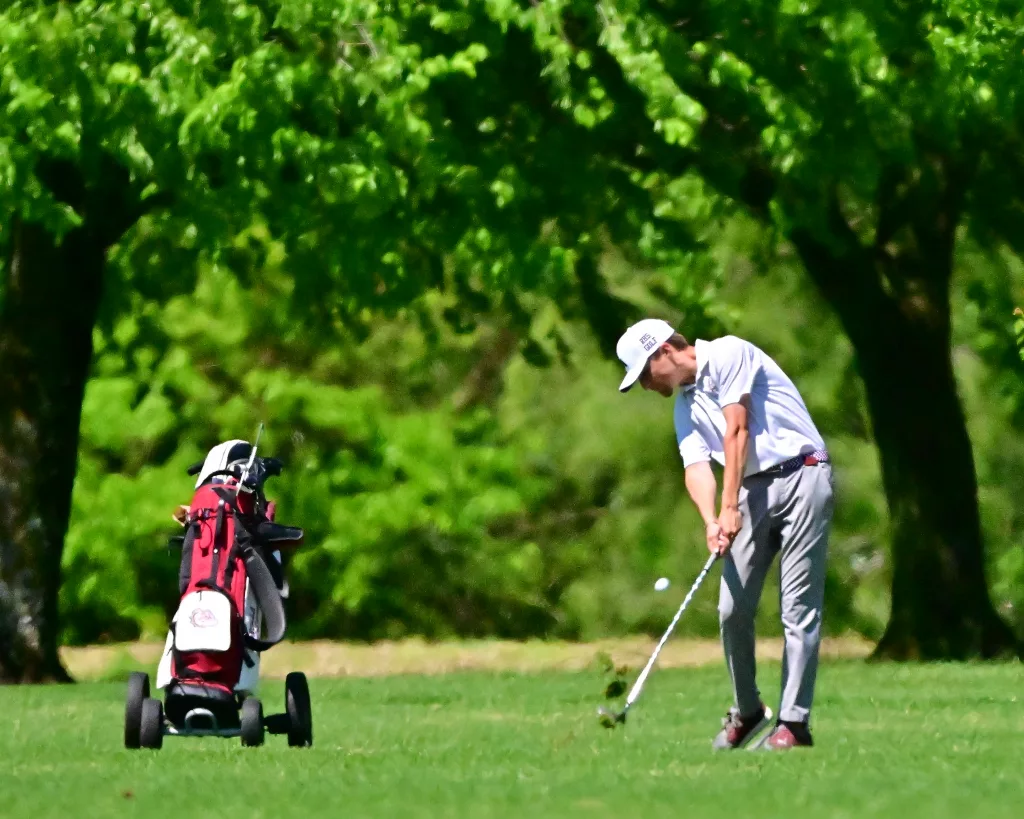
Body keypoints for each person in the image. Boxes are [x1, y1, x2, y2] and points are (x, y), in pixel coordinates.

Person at [615, 318, 834, 750]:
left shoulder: (730, 352)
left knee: (797, 607)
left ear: (663, 351)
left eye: (643, 373)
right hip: (752, 487)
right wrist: (711, 520)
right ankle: (749, 710)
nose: (645, 385)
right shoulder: (685, 406)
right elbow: (696, 467)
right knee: (732, 610)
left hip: (803, 474)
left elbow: (738, 430)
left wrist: (730, 504)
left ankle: (794, 723)